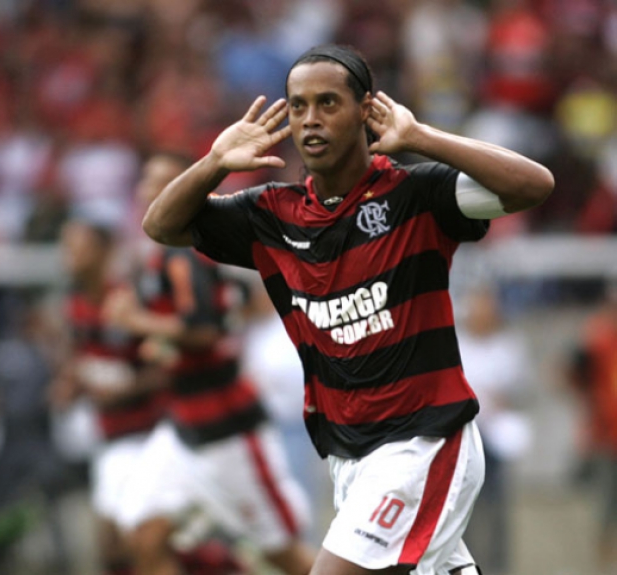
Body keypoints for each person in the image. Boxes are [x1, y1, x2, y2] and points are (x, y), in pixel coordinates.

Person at [140, 44, 553, 575]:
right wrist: (216, 162)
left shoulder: (414, 194)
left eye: (328, 103)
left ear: (365, 109)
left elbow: (534, 185)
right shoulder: (271, 215)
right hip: (349, 457)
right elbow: (162, 226)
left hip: (422, 442)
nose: (310, 119)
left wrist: (421, 137)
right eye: (298, 106)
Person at [106, 153, 315, 575]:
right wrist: (160, 343)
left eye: (166, 182)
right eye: (148, 179)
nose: (152, 190)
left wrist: (137, 321)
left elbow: (205, 330)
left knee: (287, 556)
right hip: (184, 428)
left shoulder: (185, 256)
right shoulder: (159, 255)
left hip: (228, 432)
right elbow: (199, 328)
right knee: (143, 535)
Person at [50, 219, 167, 575]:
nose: (68, 254)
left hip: (150, 436)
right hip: (110, 439)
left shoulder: (130, 300)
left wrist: (122, 391)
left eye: (77, 245)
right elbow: (79, 361)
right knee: (112, 550)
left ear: (103, 251)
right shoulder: (74, 305)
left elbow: (166, 368)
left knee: (136, 543)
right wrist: (69, 384)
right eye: (65, 246)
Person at [455, 287, 531, 575]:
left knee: (497, 507)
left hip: (496, 437)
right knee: (465, 512)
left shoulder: (508, 346)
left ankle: (499, 566)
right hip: (464, 438)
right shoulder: (457, 344)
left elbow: (520, 389)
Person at [567, 283, 617, 573]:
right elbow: (571, 372)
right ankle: (602, 562)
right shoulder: (597, 339)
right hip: (605, 437)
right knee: (605, 506)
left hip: (604, 433)